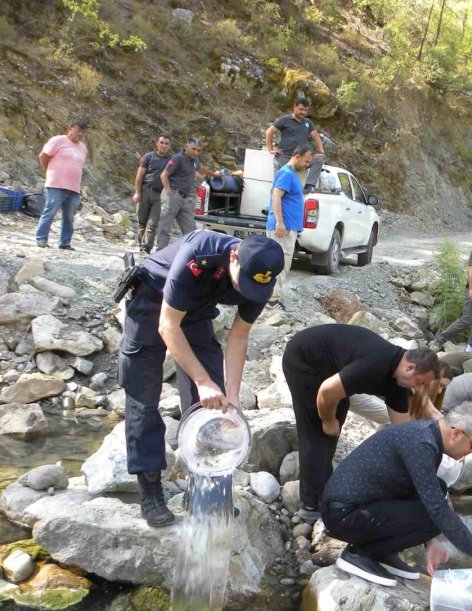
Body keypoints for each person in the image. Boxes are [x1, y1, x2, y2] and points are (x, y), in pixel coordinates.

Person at [119, 231, 285, 527]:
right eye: (241, 282)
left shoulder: (261, 280)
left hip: (195, 314)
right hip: (152, 302)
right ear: (234, 257)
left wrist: (232, 398)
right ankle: (151, 492)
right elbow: (168, 326)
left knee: (215, 406)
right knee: (143, 401)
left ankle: (206, 491)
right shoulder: (200, 253)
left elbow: (238, 336)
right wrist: (200, 379)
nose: (245, 291)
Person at [322, 402, 472, 586]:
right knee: (436, 515)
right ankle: (360, 554)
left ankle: (382, 552)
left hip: (358, 506)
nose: (471, 451)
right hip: (345, 514)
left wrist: (429, 542)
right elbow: (437, 510)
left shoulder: (429, 435)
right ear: (456, 433)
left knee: (439, 488)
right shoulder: (422, 443)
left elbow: (418, 491)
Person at [282, 324, 440, 522]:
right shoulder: (376, 363)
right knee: (316, 430)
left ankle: (324, 488)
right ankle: (311, 505)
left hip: (333, 369)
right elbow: (327, 391)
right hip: (304, 359)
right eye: (419, 382)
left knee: (334, 427)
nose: (418, 389)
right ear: (410, 368)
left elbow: (404, 433)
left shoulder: (399, 383)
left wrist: (418, 464)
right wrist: (328, 420)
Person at [264, 143, 315, 308]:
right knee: (280, 263)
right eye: (306, 162)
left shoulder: (291, 174)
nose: (307, 166)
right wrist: (280, 222)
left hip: (287, 227)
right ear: (297, 156)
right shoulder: (286, 173)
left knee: (282, 263)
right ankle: (272, 300)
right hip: (282, 229)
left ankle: (271, 297)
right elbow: (276, 196)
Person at [156, 139, 221, 250]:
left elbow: (201, 169)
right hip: (173, 195)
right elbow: (164, 175)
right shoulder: (178, 158)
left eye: (198, 150)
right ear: (186, 147)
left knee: (190, 229)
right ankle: (159, 254)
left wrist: (214, 174)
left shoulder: (194, 161)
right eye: (193, 149)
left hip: (184, 198)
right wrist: (169, 192)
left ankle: (188, 253)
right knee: (165, 227)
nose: (196, 152)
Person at [35, 119, 88, 250]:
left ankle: (65, 243)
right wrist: (50, 171)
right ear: (70, 129)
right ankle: (41, 239)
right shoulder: (58, 140)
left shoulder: (83, 147)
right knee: (50, 211)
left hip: (74, 187)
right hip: (56, 184)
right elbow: (43, 156)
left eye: (82, 132)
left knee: (69, 217)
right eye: (78, 131)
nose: (80, 134)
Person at [265, 96, 326, 193]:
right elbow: (269, 132)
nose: (303, 112)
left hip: (301, 158)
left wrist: (321, 151)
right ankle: (274, 202)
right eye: (301, 109)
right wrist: (270, 149)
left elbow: (316, 136)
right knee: (278, 186)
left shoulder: (308, 123)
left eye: (305, 110)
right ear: (294, 107)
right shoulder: (284, 120)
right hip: (284, 157)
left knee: (319, 159)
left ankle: (308, 187)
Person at [132, 134, 174, 253]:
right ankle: (141, 244)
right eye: (161, 142)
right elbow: (139, 176)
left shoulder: (172, 161)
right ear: (157, 143)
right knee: (142, 221)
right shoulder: (148, 157)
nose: (164, 145)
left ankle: (146, 248)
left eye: (166, 143)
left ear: (170, 146)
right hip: (145, 192)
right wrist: (137, 193)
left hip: (160, 195)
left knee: (153, 223)